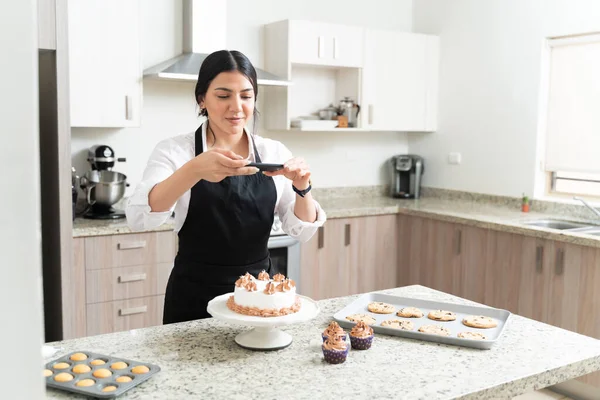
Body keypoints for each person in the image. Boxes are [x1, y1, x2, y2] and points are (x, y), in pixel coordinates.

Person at [126, 50, 327, 324]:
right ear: (202, 99)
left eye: (246, 96)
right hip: (194, 297)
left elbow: (301, 230)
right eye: (223, 96)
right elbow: (140, 217)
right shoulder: (175, 151)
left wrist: (303, 188)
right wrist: (194, 169)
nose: (236, 107)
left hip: (259, 296)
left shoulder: (273, 151)